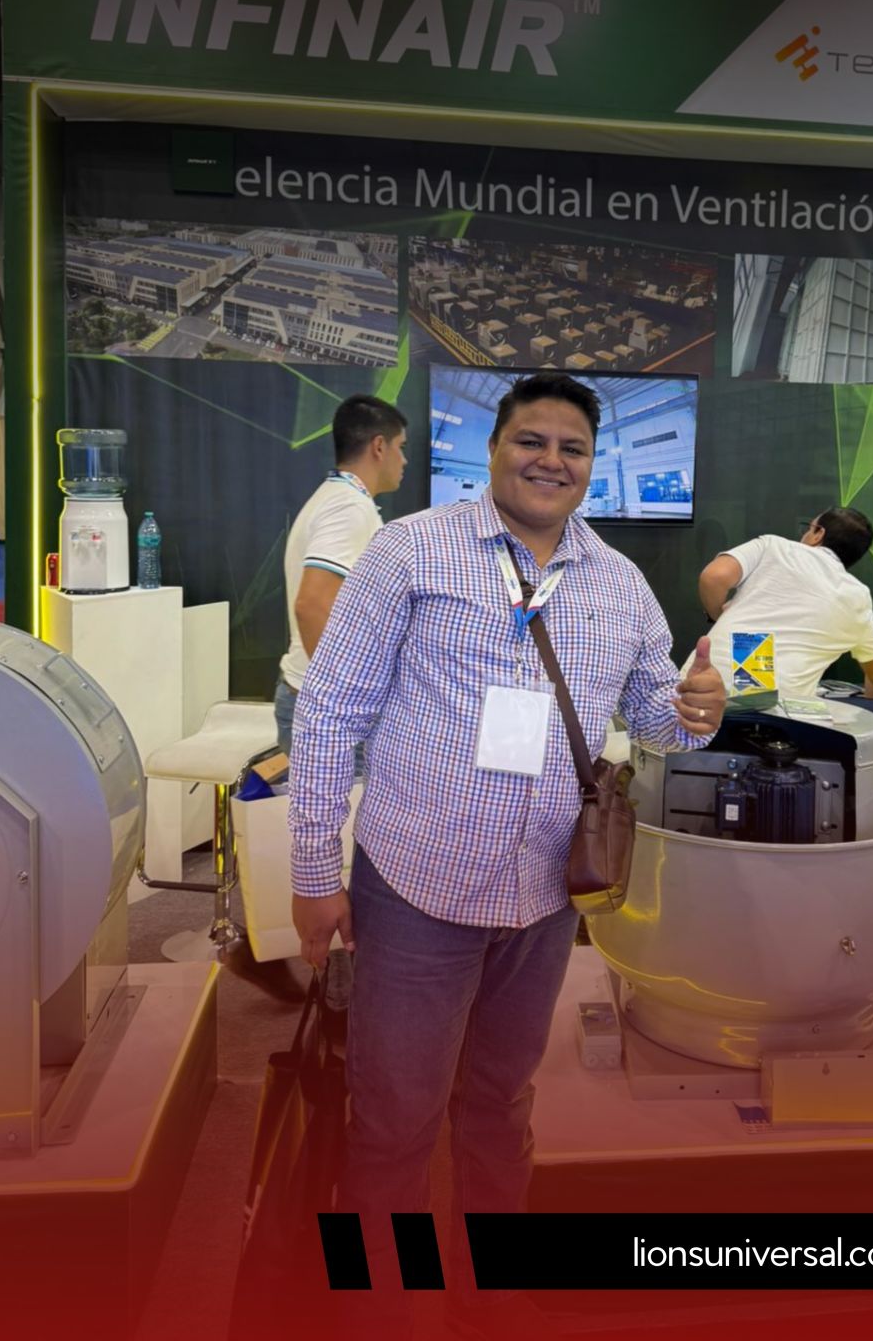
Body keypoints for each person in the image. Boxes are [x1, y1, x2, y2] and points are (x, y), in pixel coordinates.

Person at [287, 372, 725, 1331]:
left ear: (594, 465)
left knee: (500, 1102)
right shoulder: (411, 551)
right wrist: (315, 875)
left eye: (572, 448)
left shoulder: (618, 583)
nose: (550, 461)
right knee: (394, 1115)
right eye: (532, 440)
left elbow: (659, 720)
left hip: (542, 894)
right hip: (416, 885)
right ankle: (384, 1308)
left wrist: (699, 711)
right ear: (491, 450)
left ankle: (488, 1288)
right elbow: (328, 714)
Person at [274, 394, 408, 755]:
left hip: (307, 696)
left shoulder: (337, 498)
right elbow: (311, 604)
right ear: (379, 447)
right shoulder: (349, 507)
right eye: (401, 447)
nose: (404, 460)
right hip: (326, 710)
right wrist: (341, 695)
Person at [697, 507, 873, 709]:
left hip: (701, 694)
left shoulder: (773, 546)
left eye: (808, 528)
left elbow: (714, 577)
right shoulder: (857, 595)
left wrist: (718, 616)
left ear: (818, 534)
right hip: (778, 717)